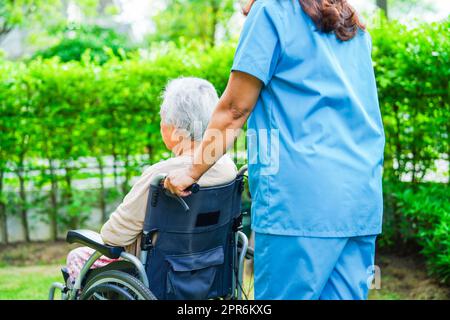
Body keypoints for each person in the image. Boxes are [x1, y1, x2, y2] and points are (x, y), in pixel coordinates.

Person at [164, 0, 385, 300]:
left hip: (300, 203)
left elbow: (234, 109)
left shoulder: (272, 11)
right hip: (359, 198)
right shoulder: (353, 25)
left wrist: (191, 171)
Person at [66, 77, 237, 283]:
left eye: (162, 118)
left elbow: (114, 237)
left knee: (77, 256)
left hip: (159, 275)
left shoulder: (161, 175)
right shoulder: (227, 167)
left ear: (173, 128)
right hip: (208, 266)